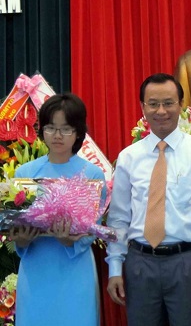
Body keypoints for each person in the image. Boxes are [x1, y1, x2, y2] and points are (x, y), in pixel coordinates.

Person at [105, 73, 191, 326]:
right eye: (153, 104)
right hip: (139, 263)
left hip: (187, 264)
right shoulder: (128, 157)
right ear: (142, 107)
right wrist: (115, 268)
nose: (161, 111)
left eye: (169, 103)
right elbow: (118, 217)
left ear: (181, 105)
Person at [10, 93, 105, 326]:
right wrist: (20, 240)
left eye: (66, 129)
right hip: (36, 267)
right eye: (51, 128)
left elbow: (94, 228)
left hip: (75, 267)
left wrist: (70, 241)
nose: (58, 136)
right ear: (42, 131)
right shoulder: (25, 173)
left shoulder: (92, 175)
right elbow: (15, 226)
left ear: (78, 132)